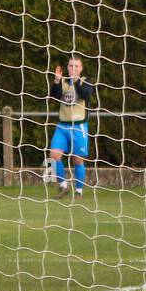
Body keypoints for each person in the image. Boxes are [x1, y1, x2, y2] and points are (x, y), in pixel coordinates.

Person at [48, 56, 94, 198]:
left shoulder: (85, 81)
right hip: (62, 126)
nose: (72, 68)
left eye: (76, 66)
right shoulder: (62, 82)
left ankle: (79, 191)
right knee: (54, 156)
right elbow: (53, 96)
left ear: (81, 68)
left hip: (78, 126)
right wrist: (56, 81)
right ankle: (63, 186)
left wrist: (75, 82)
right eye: (70, 66)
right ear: (67, 68)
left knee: (77, 159)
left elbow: (86, 95)